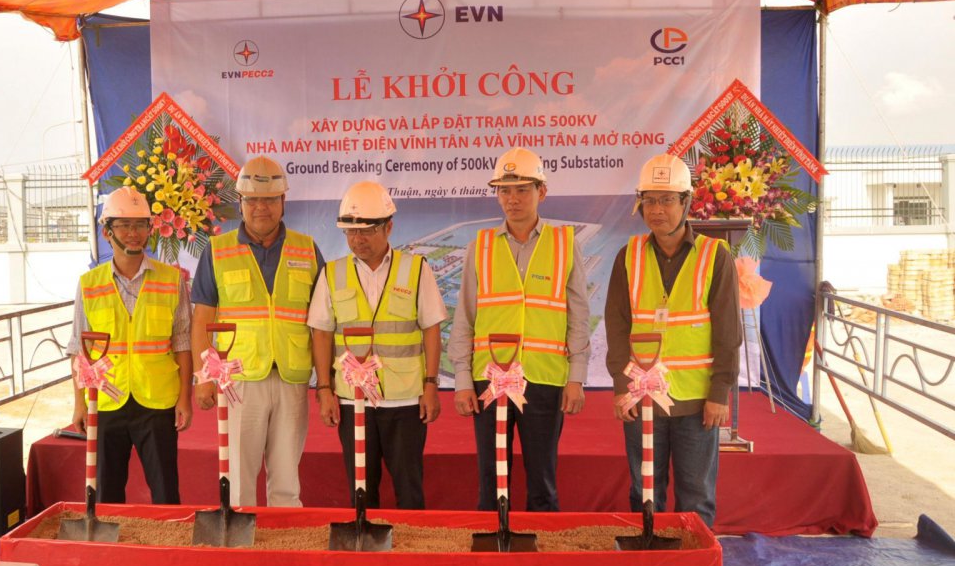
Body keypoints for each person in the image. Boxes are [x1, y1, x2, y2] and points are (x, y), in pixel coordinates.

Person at [448, 147, 591, 512]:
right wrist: (462, 379)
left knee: (543, 479)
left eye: (522, 190)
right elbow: (464, 317)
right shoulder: (479, 247)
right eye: (504, 191)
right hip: (489, 380)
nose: (512, 199)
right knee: (491, 478)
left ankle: (544, 546)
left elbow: (578, 316)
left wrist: (576, 376)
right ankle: (493, 544)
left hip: (545, 379)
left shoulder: (565, 244)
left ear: (542, 191)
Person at [604, 153, 741, 528]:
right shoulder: (628, 256)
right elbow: (616, 327)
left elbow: (728, 332)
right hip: (640, 397)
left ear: (686, 202)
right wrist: (622, 387)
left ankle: (694, 557)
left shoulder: (714, 257)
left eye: (666, 200)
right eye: (649, 200)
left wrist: (720, 393)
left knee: (696, 495)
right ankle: (649, 556)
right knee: (644, 492)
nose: (656, 210)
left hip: (697, 402)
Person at [191, 155, 323, 507]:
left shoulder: (307, 249)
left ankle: (284, 538)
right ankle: (241, 538)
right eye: (252, 200)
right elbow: (202, 319)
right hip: (238, 382)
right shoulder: (217, 251)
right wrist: (203, 377)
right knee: (238, 476)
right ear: (241, 202)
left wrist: (325, 382)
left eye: (269, 199)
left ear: (283, 201)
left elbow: (323, 323)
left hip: (292, 377)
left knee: (287, 479)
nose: (260, 208)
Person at [308, 180, 444, 509]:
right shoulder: (331, 274)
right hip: (352, 400)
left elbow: (431, 329)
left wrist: (430, 385)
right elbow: (321, 333)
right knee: (361, 490)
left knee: (409, 488)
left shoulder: (416, 270)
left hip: (405, 400)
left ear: (388, 227)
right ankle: (365, 540)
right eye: (351, 232)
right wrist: (324, 389)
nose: (358, 239)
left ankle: (413, 539)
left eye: (367, 231)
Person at [67, 185, 193, 504]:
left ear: (150, 229)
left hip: (157, 401)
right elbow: (79, 349)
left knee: (166, 492)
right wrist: (80, 403)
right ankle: (111, 539)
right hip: (106, 400)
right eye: (124, 225)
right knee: (106, 493)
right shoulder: (89, 284)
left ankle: (168, 538)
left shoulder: (171, 280)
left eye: (140, 225)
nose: (133, 233)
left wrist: (185, 399)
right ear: (107, 232)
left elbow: (183, 343)